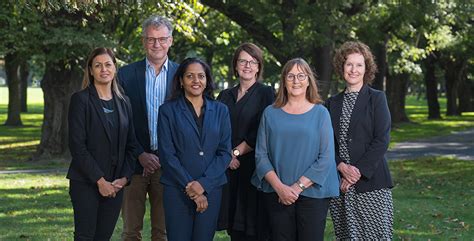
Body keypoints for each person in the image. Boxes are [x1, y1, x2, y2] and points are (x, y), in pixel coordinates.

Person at [251, 58, 339, 241]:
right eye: (290, 76)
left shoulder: (321, 113)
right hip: (277, 192)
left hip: (313, 193)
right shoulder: (270, 113)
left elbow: (326, 157)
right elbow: (261, 155)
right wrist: (280, 188)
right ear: (284, 81)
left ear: (308, 80)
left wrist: (297, 188)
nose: (296, 80)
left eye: (301, 75)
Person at [67, 47, 140, 240]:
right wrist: (100, 181)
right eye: (97, 65)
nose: (103, 69)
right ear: (90, 70)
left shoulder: (124, 102)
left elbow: (132, 146)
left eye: (108, 64)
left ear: (115, 68)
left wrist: (124, 179)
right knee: (85, 236)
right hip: (86, 182)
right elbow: (77, 147)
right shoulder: (80, 100)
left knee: (103, 237)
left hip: (115, 184)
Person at [118, 15, 179, 241]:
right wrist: (140, 153)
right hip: (134, 164)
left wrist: (164, 155)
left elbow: (185, 122)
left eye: (162, 39)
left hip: (169, 164)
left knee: (162, 232)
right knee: (130, 231)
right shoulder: (125, 75)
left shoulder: (182, 76)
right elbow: (122, 122)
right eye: (151, 39)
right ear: (143, 42)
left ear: (170, 41)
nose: (156, 44)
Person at [157, 57, 232, 241]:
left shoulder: (221, 110)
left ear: (207, 80)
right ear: (181, 81)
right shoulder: (167, 111)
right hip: (177, 190)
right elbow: (167, 154)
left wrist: (203, 185)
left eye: (201, 76)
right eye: (190, 76)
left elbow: (224, 153)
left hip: (211, 189)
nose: (196, 80)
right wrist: (192, 187)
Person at [326, 41, 394, 239]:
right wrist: (341, 168)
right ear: (342, 67)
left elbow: (382, 139)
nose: (353, 69)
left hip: (371, 182)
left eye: (359, 65)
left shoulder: (377, 98)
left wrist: (355, 173)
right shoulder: (331, 103)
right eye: (349, 64)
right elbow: (328, 143)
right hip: (341, 186)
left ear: (366, 69)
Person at [217, 43, 274, 241]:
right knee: (235, 228)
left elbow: (262, 130)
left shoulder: (266, 93)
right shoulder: (225, 95)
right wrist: (226, 155)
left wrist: (236, 153)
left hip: (252, 167)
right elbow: (214, 128)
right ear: (235, 65)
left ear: (259, 67)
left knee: (253, 226)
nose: (247, 65)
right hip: (227, 168)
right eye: (243, 61)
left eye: (253, 62)